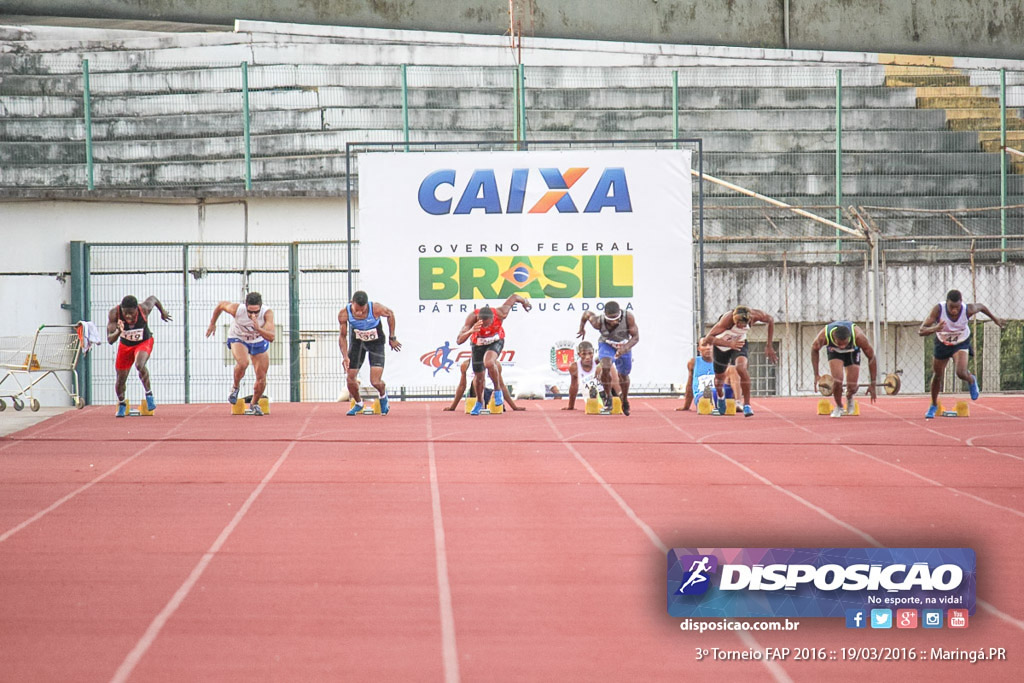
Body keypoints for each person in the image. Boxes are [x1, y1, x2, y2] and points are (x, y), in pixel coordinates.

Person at [918, 289, 1004, 419]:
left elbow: (981, 307)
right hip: (943, 343)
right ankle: (934, 404)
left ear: (961, 304)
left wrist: (995, 318)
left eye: (957, 307)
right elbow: (921, 330)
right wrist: (935, 328)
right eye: (951, 307)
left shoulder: (967, 309)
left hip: (960, 343)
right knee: (937, 375)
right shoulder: (938, 310)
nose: (954, 310)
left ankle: (971, 379)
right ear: (946, 303)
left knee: (961, 372)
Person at [456, 294, 532, 416]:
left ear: (493, 319)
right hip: (478, 345)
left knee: (489, 362)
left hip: (495, 342)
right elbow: (459, 340)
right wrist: (471, 331)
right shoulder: (472, 317)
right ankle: (479, 402)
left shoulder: (501, 313)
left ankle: (497, 391)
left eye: (487, 324)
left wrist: (525, 302)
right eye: (483, 324)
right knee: (479, 377)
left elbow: (514, 297)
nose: (485, 327)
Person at [205, 292, 275, 416]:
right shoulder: (237, 310)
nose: (252, 315)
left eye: (256, 312)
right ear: (245, 306)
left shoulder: (267, 313)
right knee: (243, 363)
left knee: (262, 378)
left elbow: (271, 337)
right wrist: (212, 323)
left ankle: (254, 403)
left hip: (258, 340)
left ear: (261, 307)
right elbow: (221, 305)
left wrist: (258, 328)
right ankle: (235, 387)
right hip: (239, 338)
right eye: (250, 312)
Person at [700, 305, 777, 417]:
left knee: (741, 368)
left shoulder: (756, 315)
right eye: (737, 325)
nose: (740, 327)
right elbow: (708, 338)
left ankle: (747, 405)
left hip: (739, 343)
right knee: (719, 379)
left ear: (749, 320)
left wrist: (769, 345)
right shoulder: (726, 321)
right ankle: (721, 397)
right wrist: (729, 344)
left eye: (743, 325)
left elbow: (770, 320)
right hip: (722, 346)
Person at [106, 294, 172, 417]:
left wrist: (162, 312)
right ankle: (121, 404)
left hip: (143, 342)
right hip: (125, 347)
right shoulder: (115, 314)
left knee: (139, 364)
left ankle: (149, 394)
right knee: (121, 379)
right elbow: (110, 340)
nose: (128, 316)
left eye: (131, 313)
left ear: (137, 309)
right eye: (126, 313)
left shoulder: (144, 309)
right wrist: (119, 331)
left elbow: (154, 299)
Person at [339, 290, 401, 416]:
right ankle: (358, 403)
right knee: (350, 379)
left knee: (375, 381)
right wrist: (345, 357)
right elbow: (342, 336)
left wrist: (392, 337)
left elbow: (390, 314)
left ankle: (383, 396)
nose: (360, 312)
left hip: (376, 344)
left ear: (367, 304)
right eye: (357, 310)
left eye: (363, 309)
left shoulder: (376, 308)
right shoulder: (344, 313)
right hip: (358, 344)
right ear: (352, 303)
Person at [577, 301, 639, 415]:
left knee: (624, 375)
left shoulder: (628, 317)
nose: (614, 321)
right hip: (607, 344)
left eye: (616, 318)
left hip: (624, 345)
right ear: (605, 316)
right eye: (610, 319)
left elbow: (635, 337)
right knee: (605, 367)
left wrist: (625, 348)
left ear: (620, 314)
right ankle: (608, 397)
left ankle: (624, 399)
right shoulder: (598, 322)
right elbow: (586, 314)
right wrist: (582, 328)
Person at [809, 321, 878, 418]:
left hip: (852, 352)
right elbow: (814, 349)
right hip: (835, 353)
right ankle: (839, 406)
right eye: (839, 344)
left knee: (853, 386)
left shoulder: (859, 337)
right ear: (834, 337)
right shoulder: (824, 336)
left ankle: (849, 396)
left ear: (849, 338)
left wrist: (873, 383)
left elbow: (872, 357)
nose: (842, 347)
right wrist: (816, 374)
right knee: (837, 381)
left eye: (844, 344)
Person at [677, 341, 740, 412]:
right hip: (703, 395)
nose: (708, 348)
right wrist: (686, 406)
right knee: (708, 392)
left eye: (710, 345)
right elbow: (690, 384)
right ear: (699, 348)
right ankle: (712, 405)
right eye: (704, 345)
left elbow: (733, 382)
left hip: (720, 393)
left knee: (732, 369)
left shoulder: (723, 362)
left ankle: (738, 403)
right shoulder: (693, 362)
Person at [443, 359, 524, 412]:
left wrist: (514, 407)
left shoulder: (496, 364)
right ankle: (480, 402)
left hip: (490, 392)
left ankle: (493, 402)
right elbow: (462, 386)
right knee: (478, 377)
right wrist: (452, 407)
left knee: (494, 389)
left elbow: (501, 385)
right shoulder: (466, 364)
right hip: (474, 393)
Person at [562, 340, 621, 411]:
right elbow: (574, 386)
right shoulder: (574, 367)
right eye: (584, 354)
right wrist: (570, 406)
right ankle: (599, 399)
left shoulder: (599, 361)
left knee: (609, 367)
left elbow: (612, 358)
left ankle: (615, 398)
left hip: (607, 392)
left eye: (590, 353)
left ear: (593, 352)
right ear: (579, 354)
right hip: (591, 400)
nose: (587, 357)